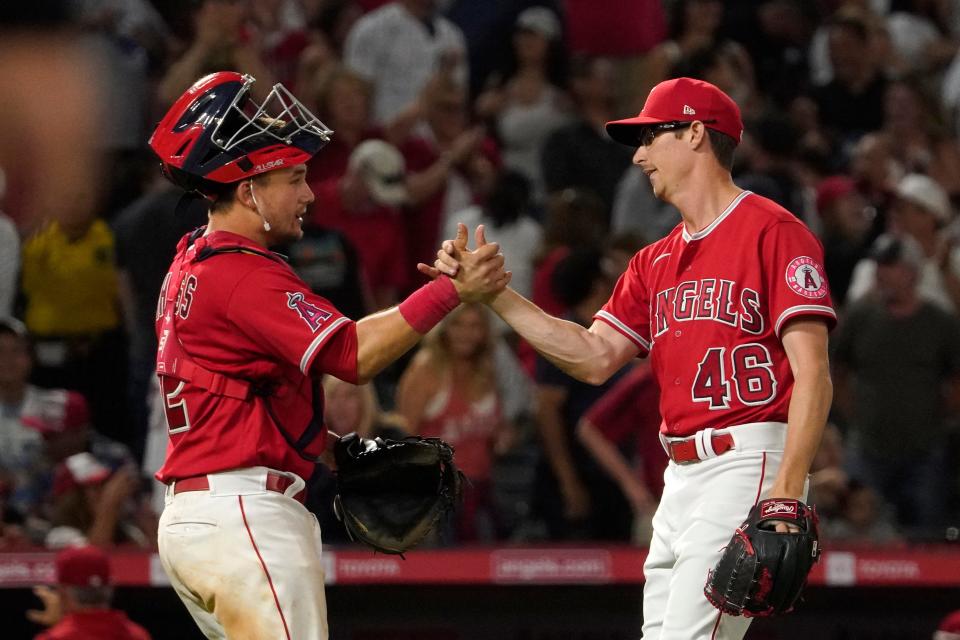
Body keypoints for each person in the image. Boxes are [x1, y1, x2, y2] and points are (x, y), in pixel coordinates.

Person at [428, 77, 836, 639]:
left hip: (747, 460)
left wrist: (787, 490)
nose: (639, 154)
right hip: (679, 477)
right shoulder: (654, 260)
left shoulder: (773, 231)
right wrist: (497, 295)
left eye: (651, 135)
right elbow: (594, 356)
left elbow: (814, 372)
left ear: (696, 133)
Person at [148, 71, 507, 640]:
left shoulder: (194, 260)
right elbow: (353, 355)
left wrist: (332, 450)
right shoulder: (240, 273)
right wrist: (451, 291)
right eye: (294, 178)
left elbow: (245, 395)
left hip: (207, 514)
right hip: (244, 515)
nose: (310, 194)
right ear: (248, 192)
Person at [27, 544, 151, 639]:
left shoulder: (52, 638)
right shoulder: (138, 635)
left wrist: (57, 626)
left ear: (62, 591)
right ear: (111, 587)